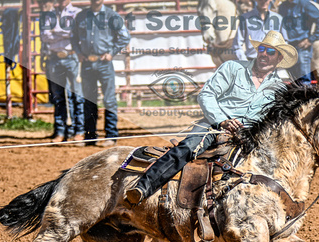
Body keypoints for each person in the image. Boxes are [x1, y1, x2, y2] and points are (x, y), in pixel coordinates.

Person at [125, 30, 298, 205]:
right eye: (262, 49)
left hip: (248, 135)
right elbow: (206, 94)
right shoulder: (233, 68)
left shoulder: (279, 89)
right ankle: (143, 187)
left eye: (270, 52)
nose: (264, 55)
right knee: (189, 148)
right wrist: (222, 120)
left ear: (279, 59)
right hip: (214, 126)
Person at [70, 0, 130, 147]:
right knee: (89, 100)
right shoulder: (81, 16)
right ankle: (90, 136)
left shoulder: (111, 15)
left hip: (104, 62)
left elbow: (125, 36)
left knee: (109, 99)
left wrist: (111, 53)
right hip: (88, 63)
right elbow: (73, 37)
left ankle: (111, 135)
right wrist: (78, 53)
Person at [40, 0, 85, 143]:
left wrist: (56, 31)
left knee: (77, 95)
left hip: (71, 57)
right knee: (58, 97)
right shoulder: (50, 14)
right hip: (55, 58)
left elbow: (73, 33)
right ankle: (61, 131)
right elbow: (45, 35)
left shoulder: (76, 13)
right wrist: (63, 33)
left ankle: (79, 131)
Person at [278, 0, 319, 83]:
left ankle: (305, 96)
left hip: (302, 48)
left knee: (304, 80)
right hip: (288, 49)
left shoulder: (304, 5)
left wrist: (311, 39)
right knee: (291, 81)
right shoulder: (283, 7)